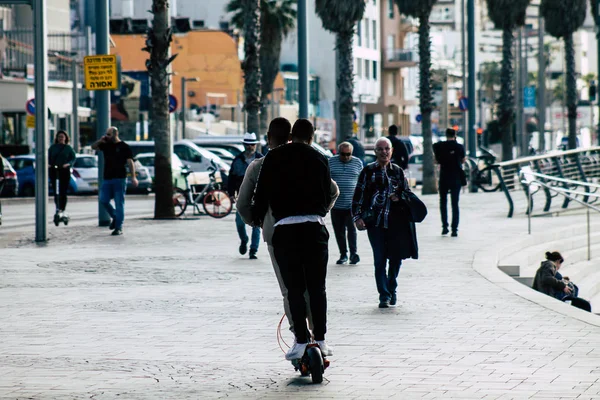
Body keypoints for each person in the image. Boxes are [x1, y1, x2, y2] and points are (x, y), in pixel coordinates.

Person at [237, 117, 339, 337]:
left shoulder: (259, 165)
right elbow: (333, 191)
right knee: (314, 287)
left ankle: (299, 337)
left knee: (290, 289)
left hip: (277, 233)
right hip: (312, 228)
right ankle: (317, 334)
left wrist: (257, 222)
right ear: (291, 137)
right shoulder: (309, 159)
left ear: (267, 138)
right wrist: (320, 211)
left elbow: (243, 204)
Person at [352, 137, 418, 308]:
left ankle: (392, 287)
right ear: (375, 152)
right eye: (380, 149)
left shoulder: (397, 171)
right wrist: (357, 217)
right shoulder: (367, 171)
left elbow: (408, 194)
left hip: (396, 223)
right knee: (380, 259)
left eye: (386, 149)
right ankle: (383, 295)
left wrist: (399, 197)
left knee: (396, 258)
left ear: (391, 151)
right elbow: (358, 196)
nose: (384, 152)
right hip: (375, 223)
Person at [92, 126, 138, 236]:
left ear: (115, 134)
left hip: (120, 178)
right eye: (106, 134)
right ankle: (116, 217)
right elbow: (93, 147)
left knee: (119, 203)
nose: (106, 136)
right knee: (103, 200)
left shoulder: (124, 146)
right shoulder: (105, 145)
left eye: (109, 134)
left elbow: (130, 162)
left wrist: (133, 177)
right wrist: (100, 140)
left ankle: (118, 227)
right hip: (107, 178)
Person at [228, 132, 263, 259]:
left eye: (252, 144)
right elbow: (231, 178)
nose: (250, 147)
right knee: (239, 222)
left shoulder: (261, 159)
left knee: (256, 224)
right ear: (244, 145)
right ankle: (244, 239)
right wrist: (231, 194)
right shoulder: (237, 160)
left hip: (258, 196)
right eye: (248, 145)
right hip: (242, 196)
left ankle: (253, 250)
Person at [329, 142, 363, 265]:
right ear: (338, 152)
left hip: (351, 205)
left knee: (352, 230)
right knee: (339, 231)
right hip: (335, 204)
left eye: (348, 154)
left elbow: (361, 181)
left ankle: (354, 254)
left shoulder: (357, 162)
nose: (346, 157)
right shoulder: (331, 162)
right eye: (343, 154)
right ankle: (343, 254)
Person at [433, 128, 466, 237]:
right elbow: (463, 160)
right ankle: (454, 229)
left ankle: (445, 227)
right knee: (455, 204)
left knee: (443, 202)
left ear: (446, 135)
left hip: (444, 177)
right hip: (456, 178)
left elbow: (436, 156)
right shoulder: (459, 147)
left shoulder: (440, 146)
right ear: (455, 135)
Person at [48, 130, 76, 215]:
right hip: (54, 170)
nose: (61, 138)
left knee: (63, 191)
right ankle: (57, 207)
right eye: (59, 137)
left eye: (62, 137)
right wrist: (48, 164)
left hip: (64, 171)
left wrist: (68, 164)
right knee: (56, 190)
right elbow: (48, 157)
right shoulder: (53, 147)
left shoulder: (68, 148)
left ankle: (63, 208)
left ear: (65, 138)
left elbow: (73, 158)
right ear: (57, 138)